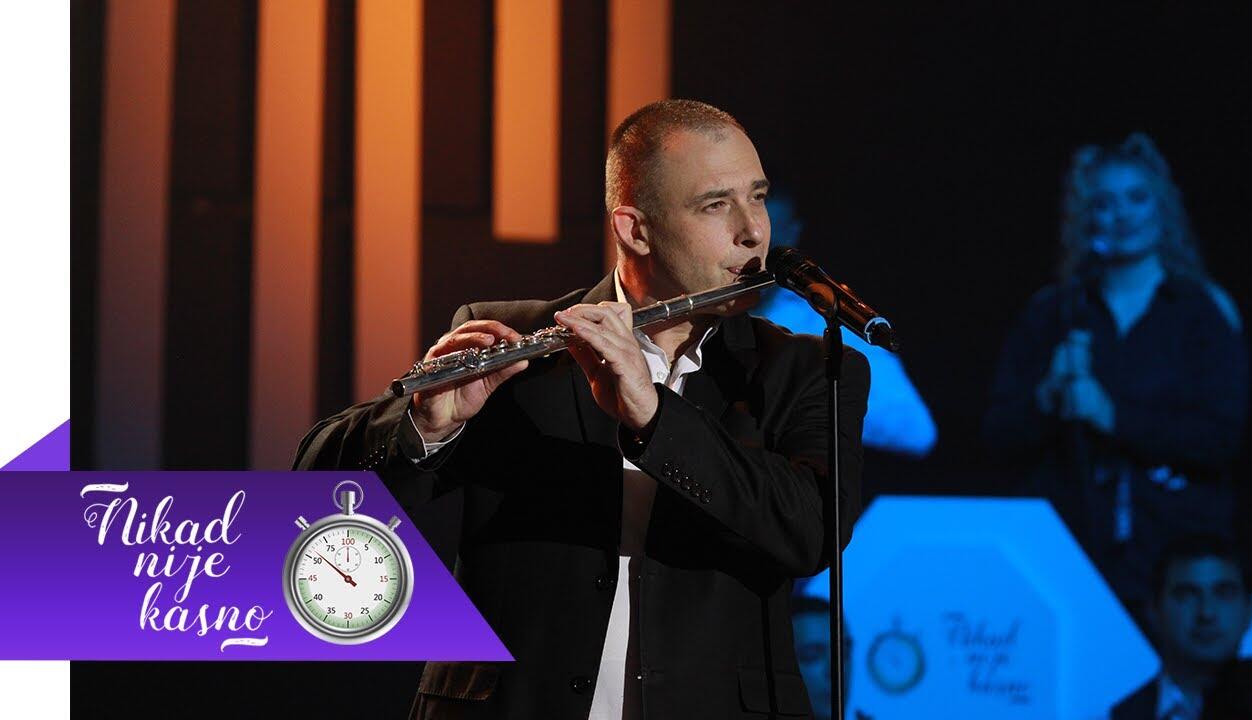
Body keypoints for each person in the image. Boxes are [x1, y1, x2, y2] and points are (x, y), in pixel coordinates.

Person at [294, 99, 869, 719]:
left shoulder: (803, 370)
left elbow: (811, 535)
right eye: (715, 205)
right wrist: (424, 426)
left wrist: (655, 417)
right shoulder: (517, 340)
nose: (754, 231)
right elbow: (312, 504)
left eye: (757, 197)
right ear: (635, 230)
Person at [983, 133, 1249, 607]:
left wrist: (1113, 416)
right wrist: (1046, 397)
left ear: (1161, 207)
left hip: (1174, 550)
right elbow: (997, 435)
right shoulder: (1053, 311)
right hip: (1069, 544)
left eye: (1137, 198)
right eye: (1105, 203)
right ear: (1085, 217)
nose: (1123, 215)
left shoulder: (1202, 310)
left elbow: (1222, 438)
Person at [755, 192, 936, 457]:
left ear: (792, 234)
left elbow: (916, 432)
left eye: (770, 244)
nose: (753, 257)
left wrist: (805, 402)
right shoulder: (701, 314)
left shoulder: (820, 320)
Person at [1111, 534, 1252, 720]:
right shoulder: (1119, 714)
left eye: (1224, 593)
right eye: (1186, 595)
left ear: (1250, 610)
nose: (1206, 612)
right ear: (1154, 610)